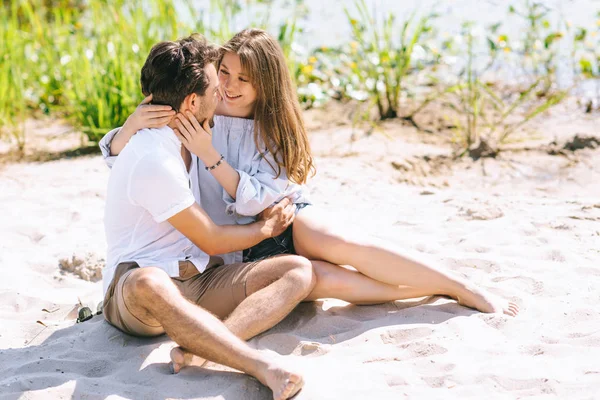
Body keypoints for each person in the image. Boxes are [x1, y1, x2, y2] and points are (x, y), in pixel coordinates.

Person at [101, 28, 520, 372]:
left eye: (240, 80)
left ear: (264, 86)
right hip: (238, 245)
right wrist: (133, 123)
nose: (227, 86)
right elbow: (128, 159)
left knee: (344, 246)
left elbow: (260, 198)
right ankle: (425, 292)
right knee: (322, 279)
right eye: (223, 73)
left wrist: (215, 161)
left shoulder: (268, 128)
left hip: (279, 217)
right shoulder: (198, 116)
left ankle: (457, 285)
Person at [101, 33, 311, 400]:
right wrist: (265, 228)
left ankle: (201, 347)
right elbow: (211, 238)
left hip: (198, 277)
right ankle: (259, 365)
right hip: (137, 294)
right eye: (217, 86)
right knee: (148, 281)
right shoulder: (154, 157)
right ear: (193, 101)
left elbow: (114, 149)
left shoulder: (193, 137)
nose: (223, 93)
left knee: (298, 271)